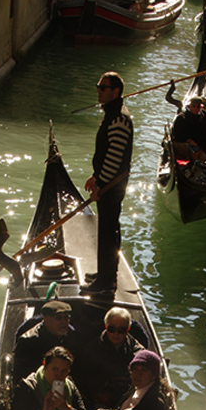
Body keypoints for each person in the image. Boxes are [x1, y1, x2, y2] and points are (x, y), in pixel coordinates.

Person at [81, 72, 134, 298]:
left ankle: (105, 283)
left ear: (115, 92)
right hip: (108, 183)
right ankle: (104, 274)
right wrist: (96, 177)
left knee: (107, 233)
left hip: (112, 187)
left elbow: (114, 159)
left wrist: (99, 186)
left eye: (103, 88)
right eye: (98, 86)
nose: (99, 91)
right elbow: (108, 154)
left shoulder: (118, 119)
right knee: (108, 231)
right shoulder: (113, 115)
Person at [77, 306, 144, 408]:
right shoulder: (92, 350)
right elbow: (84, 380)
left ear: (128, 330)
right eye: (112, 329)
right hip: (98, 400)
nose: (116, 333)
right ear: (106, 327)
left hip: (128, 399)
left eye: (121, 330)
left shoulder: (137, 352)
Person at [13, 301, 78, 385]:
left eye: (66, 317)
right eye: (59, 318)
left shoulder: (71, 336)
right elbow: (22, 377)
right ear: (46, 320)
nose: (64, 322)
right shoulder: (29, 342)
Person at [171, 95, 206, 162]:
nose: (196, 108)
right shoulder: (182, 117)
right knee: (191, 150)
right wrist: (190, 141)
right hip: (182, 143)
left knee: (204, 157)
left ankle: (194, 166)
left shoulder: (202, 116)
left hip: (196, 146)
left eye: (198, 106)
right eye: (194, 106)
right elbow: (177, 135)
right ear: (190, 105)